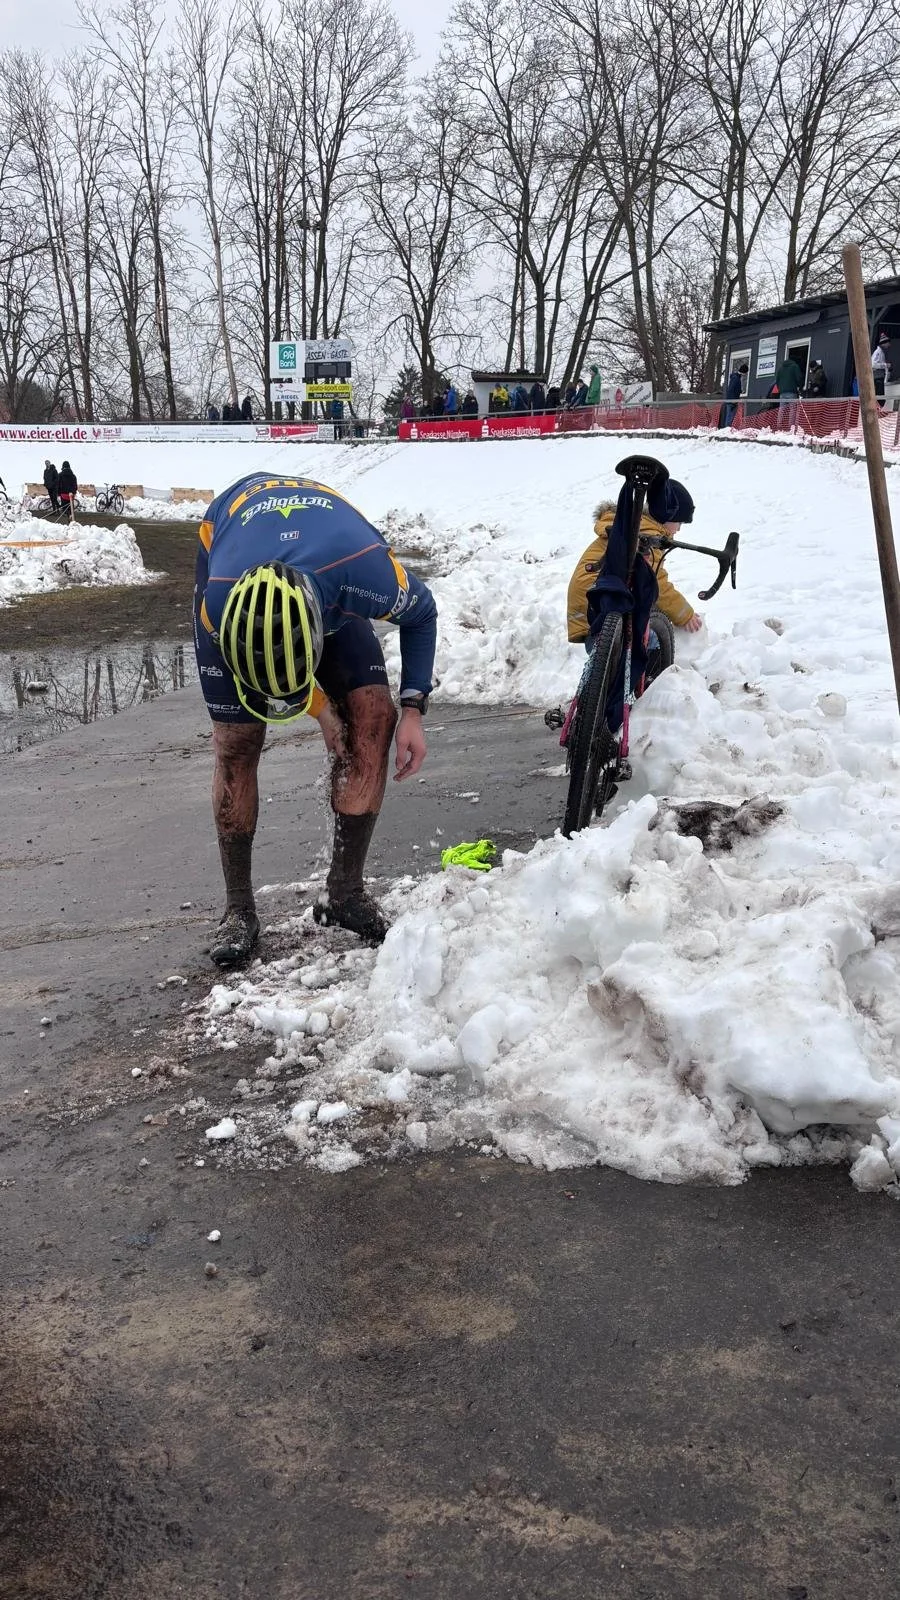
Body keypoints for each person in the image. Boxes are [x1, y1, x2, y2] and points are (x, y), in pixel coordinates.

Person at [193, 472, 438, 967]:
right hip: (234, 568)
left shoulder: (365, 574)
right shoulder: (215, 609)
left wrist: (413, 709)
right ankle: (238, 908)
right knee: (237, 742)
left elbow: (423, 614)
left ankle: (345, 892)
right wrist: (322, 711)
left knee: (374, 716)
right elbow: (274, 675)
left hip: (328, 570)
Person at [566, 475, 703, 646]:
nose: (679, 529)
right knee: (651, 642)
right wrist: (684, 614)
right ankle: (654, 672)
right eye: (679, 523)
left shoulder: (630, 524)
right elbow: (656, 582)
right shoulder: (648, 535)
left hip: (588, 599)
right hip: (599, 600)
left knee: (608, 656)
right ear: (667, 516)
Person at [775, 353, 804, 428]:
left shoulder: (781, 368)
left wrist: (780, 389)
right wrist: (800, 387)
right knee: (792, 410)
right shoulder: (795, 366)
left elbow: (777, 381)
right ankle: (791, 427)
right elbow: (799, 378)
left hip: (782, 393)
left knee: (781, 410)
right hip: (792, 392)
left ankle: (779, 425)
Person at [723, 362, 748, 427]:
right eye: (746, 373)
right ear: (744, 372)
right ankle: (726, 430)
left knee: (730, 417)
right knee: (730, 417)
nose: (745, 374)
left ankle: (727, 429)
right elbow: (731, 389)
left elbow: (734, 389)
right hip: (732, 401)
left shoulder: (736, 377)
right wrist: (733, 400)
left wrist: (739, 391)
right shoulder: (736, 378)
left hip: (732, 400)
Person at [872, 331, 891, 399]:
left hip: (880, 378)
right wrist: (885, 365)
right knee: (879, 398)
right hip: (877, 378)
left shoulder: (882, 352)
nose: (889, 344)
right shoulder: (878, 352)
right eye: (888, 343)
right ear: (884, 343)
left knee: (880, 397)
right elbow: (873, 365)